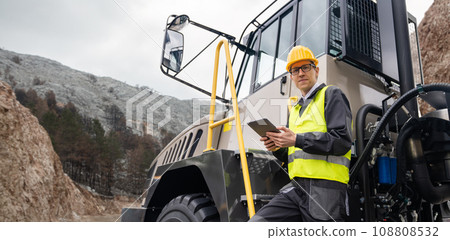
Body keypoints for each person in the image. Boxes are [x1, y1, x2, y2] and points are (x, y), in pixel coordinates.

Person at [249, 45, 352, 222]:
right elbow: (294, 154)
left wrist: (296, 139)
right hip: (296, 188)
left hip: (325, 190)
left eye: (305, 67)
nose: (301, 73)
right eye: (295, 70)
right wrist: (277, 147)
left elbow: (341, 142)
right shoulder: (295, 109)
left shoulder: (331, 94)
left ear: (316, 70)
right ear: (292, 77)